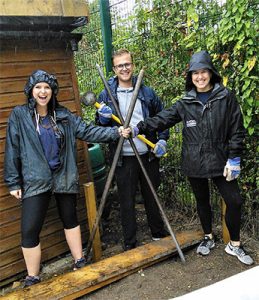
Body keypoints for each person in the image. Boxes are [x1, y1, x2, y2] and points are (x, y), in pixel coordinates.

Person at [4, 70, 130, 287]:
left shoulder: (64, 116)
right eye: (38, 87)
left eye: (47, 88)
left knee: (70, 218)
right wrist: (14, 181)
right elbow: (12, 147)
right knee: (29, 229)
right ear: (31, 91)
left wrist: (116, 132)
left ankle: (79, 259)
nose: (43, 92)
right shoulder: (20, 115)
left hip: (62, 175)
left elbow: (89, 131)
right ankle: (32, 276)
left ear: (53, 91)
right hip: (36, 179)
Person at [134, 50, 254, 265]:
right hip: (194, 160)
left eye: (203, 72)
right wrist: (138, 127)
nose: (200, 77)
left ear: (211, 73)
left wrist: (234, 158)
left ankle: (234, 244)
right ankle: (208, 237)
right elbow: (163, 119)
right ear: (190, 77)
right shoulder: (185, 102)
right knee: (202, 201)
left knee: (234, 201)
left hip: (221, 160)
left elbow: (237, 130)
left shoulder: (226, 97)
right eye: (195, 73)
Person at [96, 49, 170, 251]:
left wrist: (162, 140)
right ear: (114, 69)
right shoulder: (107, 95)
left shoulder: (146, 92)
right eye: (120, 65)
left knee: (151, 196)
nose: (124, 68)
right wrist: (103, 118)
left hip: (147, 154)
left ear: (133, 65)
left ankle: (158, 233)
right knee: (126, 202)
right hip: (123, 158)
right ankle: (130, 242)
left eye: (127, 64)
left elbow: (161, 119)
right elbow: (101, 129)